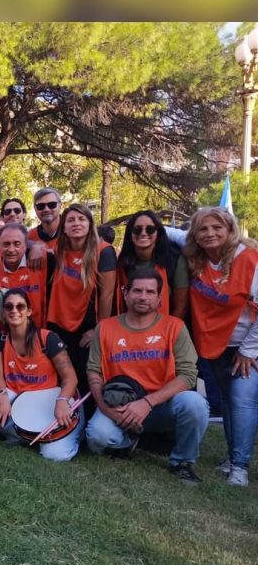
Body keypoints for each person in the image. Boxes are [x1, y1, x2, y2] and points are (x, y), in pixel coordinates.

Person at [86, 270, 208, 482]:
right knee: (97, 438)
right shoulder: (104, 328)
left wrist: (147, 403)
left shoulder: (175, 327)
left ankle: (182, 462)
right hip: (120, 407)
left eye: (150, 292)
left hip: (161, 406)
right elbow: (94, 371)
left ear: (159, 298)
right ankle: (131, 441)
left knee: (195, 404)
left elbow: (188, 375)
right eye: (137, 291)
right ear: (125, 294)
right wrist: (107, 409)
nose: (143, 297)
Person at [184, 207, 258, 487]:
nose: (210, 233)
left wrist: (248, 350)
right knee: (227, 401)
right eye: (203, 229)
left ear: (230, 230)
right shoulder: (198, 257)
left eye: (217, 227)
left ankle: (240, 467)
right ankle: (232, 456)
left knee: (242, 400)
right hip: (216, 344)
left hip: (247, 346)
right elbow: (169, 232)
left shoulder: (249, 258)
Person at [0, 288, 82, 461]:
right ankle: (23, 435)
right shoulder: (1, 339)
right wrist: (2, 396)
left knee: (55, 456)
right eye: (9, 307)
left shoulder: (47, 338)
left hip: (50, 402)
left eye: (20, 306)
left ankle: (71, 435)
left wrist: (63, 400)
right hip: (20, 399)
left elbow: (70, 377)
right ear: (3, 312)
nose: (14, 311)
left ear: (29, 311)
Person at [46, 203, 116, 403]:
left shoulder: (103, 251)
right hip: (58, 324)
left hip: (87, 327)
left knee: (86, 379)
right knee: (61, 377)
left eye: (81, 219)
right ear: (64, 227)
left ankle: (89, 416)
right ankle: (62, 417)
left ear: (90, 223)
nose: (76, 223)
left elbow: (107, 295)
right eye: (71, 220)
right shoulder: (59, 250)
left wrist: (98, 330)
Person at [115, 210, 189, 318]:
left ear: (158, 233)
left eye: (150, 229)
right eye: (137, 230)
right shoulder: (122, 263)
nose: (143, 233)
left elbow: (180, 307)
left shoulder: (175, 260)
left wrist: (169, 328)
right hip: (129, 324)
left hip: (166, 325)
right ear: (130, 234)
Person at [0, 223, 52, 328]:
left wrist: (38, 245)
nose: (11, 250)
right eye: (6, 244)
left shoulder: (44, 260)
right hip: (4, 332)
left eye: (17, 244)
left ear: (26, 245)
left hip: (38, 330)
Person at [28, 187, 62, 254]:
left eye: (52, 205)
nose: (46, 209)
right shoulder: (29, 237)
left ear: (60, 205)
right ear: (35, 208)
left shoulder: (72, 231)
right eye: (40, 206)